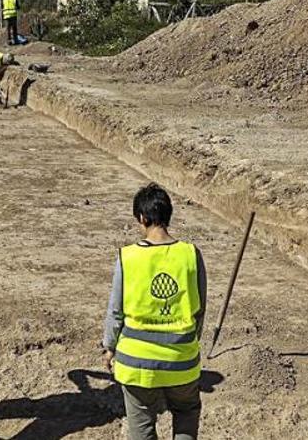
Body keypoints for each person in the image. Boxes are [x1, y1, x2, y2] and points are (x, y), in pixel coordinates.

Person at [103, 183, 207, 440]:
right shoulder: (191, 254)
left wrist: (109, 346)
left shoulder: (127, 257)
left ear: (142, 218)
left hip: (136, 364)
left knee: (141, 427)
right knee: (186, 414)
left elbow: (116, 311)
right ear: (168, 215)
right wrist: (189, 342)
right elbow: (199, 310)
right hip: (182, 359)